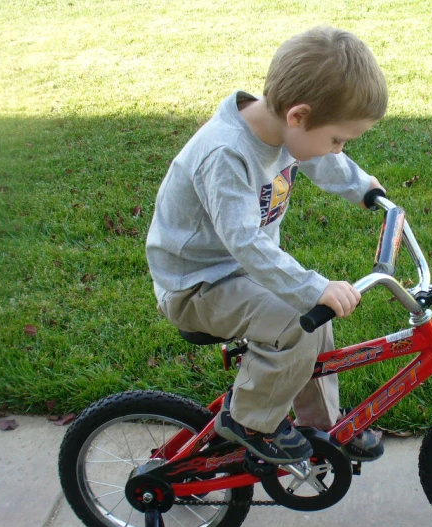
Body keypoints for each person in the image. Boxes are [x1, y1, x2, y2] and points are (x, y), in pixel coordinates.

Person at [146, 26, 387, 465]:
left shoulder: (283, 131)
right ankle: (249, 421)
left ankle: (322, 426)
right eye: (338, 138)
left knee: (317, 320)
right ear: (298, 115)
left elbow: (318, 158)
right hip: (196, 285)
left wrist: (364, 188)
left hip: (238, 271)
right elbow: (246, 243)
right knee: (296, 321)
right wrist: (311, 285)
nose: (339, 148)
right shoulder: (227, 154)